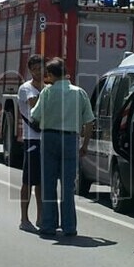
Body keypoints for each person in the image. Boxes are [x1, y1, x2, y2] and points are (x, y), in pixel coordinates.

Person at [30, 58, 94, 237]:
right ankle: (69, 227)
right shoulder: (79, 93)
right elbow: (89, 121)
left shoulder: (47, 92)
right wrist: (85, 144)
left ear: (50, 75)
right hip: (70, 139)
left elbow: (34, 116)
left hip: (49, 137)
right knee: (68, 186)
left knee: (49, 183)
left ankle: (48, 225)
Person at [17, 54, 44, 232]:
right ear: (30, 70)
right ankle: (24, 219)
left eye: (41, 67)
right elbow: (36, 107)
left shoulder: (47, 87)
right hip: (32, 139)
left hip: (46, 139)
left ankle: (41, 217)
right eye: (34, 68)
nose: (38, 71)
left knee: (41, 182)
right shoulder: (26, 88)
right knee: (28, 180)